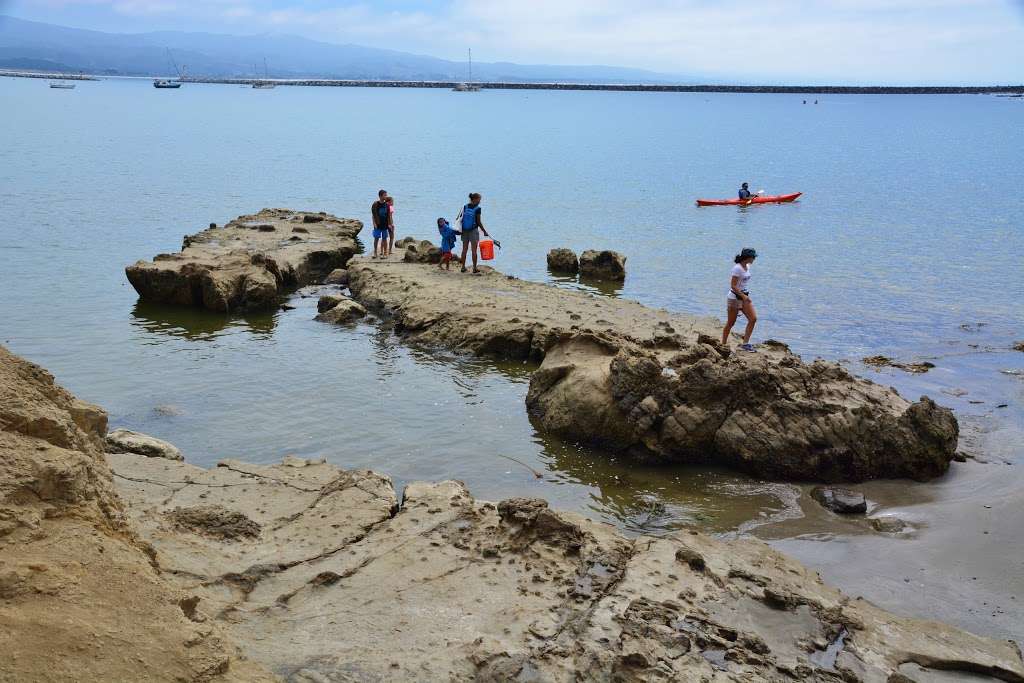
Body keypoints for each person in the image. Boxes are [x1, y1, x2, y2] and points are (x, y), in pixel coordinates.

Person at [721, 248, 758, 352]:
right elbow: (733, 285)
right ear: (748, 257)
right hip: (734, 298)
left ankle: (745, 344)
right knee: (731, 323)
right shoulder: (737, 268)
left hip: (744, 297)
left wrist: (745, 297)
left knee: (753, 319)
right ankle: (723, 344)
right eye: (753, 257)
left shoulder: (747, 266)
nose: (754, 259)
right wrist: (743, 296)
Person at [457, 192, 490, 274]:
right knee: (474, 251)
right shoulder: (478, 208)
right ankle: (474, 268)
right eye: (479, 199)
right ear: (475, 199)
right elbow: (478, 222)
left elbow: (458, 218)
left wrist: (459, 229)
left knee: (464, 250)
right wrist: (484, 231)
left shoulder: (465, 206)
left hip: (464, 230)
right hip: (473, 231)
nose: (480, 201)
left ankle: (463, 267)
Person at [370, 189, 390, 258]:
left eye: (386, 195)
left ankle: (385, 253)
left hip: (385, 224)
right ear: (380, 196)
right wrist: (374, 224)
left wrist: (389, 224)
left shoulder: (387, 205)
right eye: (385, 195)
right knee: (376, 238)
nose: (386, 196)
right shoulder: (375, 204)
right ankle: (375, 252)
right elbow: (373, 215)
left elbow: (388, 215)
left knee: (384, 238)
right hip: (377, 224)